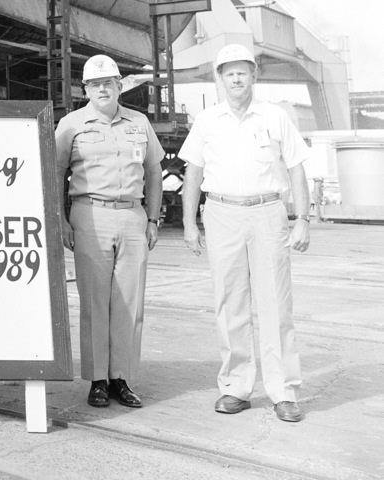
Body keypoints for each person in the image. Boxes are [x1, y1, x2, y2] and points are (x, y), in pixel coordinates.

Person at [179, 43, 311, 424]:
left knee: (276, 305)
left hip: (268, 212)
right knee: (229, 303)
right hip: (221, 213)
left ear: (255, 75)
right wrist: (189, 223)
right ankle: (236, 388)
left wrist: (302, 217)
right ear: (219, 79)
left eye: (243, 71)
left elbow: (298, 167)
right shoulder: (207, 120)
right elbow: (193, 174)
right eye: (228, 72)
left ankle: (283, 392)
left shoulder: (275, 116)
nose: (236, 78)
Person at [55, 53, 164, 409]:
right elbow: (55, 174)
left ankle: (122, 378)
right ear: (85, 89)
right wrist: (61, 219)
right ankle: (97, 380)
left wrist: (152, 219)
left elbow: (153, 173)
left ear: (119, 86)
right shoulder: (71, 124)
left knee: (129, 303)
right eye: (94, 84)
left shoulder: (139, 123)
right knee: (94, 301)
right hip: (90, 214)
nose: (102, 89)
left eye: (108, 83)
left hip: (132, 216)